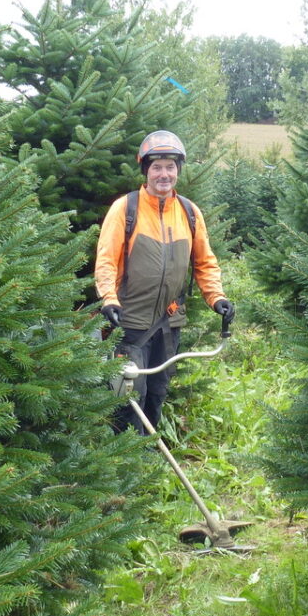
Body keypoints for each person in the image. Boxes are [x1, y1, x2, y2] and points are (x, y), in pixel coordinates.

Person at [95, 130, 235, 432]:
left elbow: (205, 262)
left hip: (169, 323)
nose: (164, 174)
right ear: (146, 170)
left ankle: (148, 457)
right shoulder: (126, 209)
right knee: (129, 395)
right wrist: (109, 298)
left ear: (178, 171)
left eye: (170, 167)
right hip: (129, 322)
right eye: (156, 167)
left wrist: (217, 298)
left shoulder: (189, 212)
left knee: (157, 392)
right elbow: (106, 259)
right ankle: (126, 461)